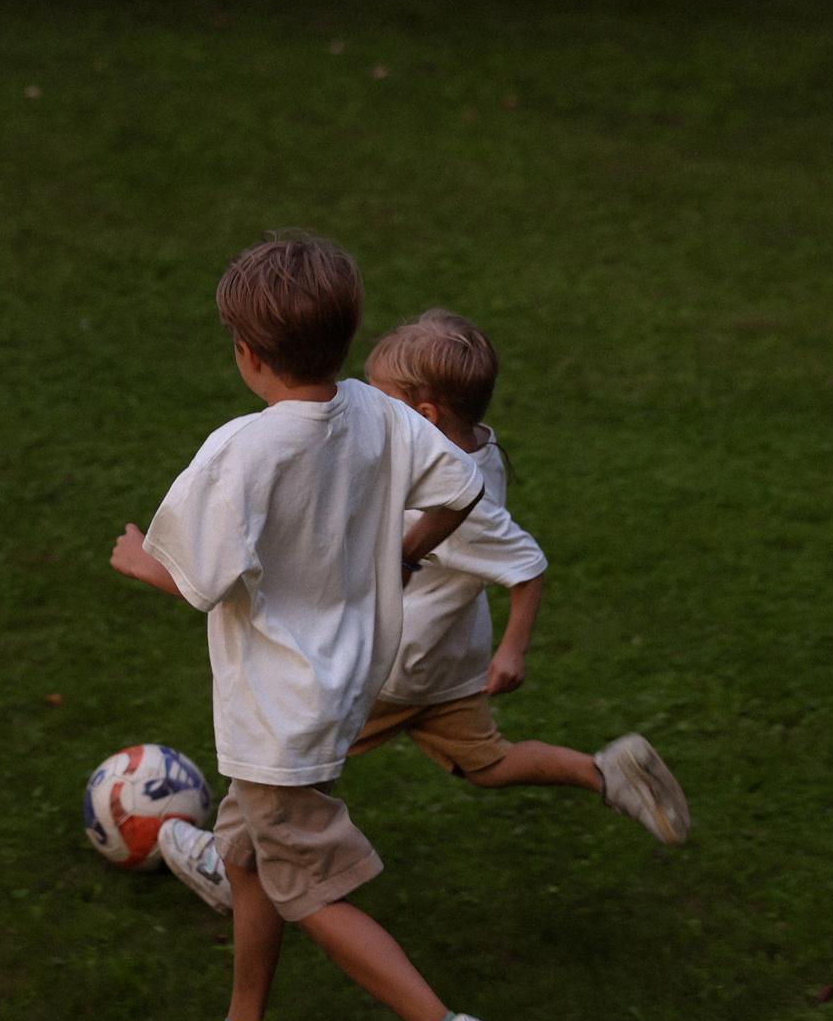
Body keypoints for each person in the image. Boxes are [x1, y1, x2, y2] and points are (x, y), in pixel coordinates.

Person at [108, 235, 519, 1021]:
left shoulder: (240, 449)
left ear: (247, 354)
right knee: (250, 855)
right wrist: (402, 550)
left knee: (310, 888)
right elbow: (460, 486)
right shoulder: (376, 412)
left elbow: (203, 578)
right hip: (340, 686)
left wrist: (143, 561)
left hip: (278, 715)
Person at [159, 309, 690, 919]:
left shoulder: (466, 498)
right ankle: (605, 773)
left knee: (279, 766)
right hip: (446, 662)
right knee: (486, 761)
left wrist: (513, 648)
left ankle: (230, 867)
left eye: (384, 401)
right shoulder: (473, 449)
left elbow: (528, 564)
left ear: (426, 415)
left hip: (390, 666)